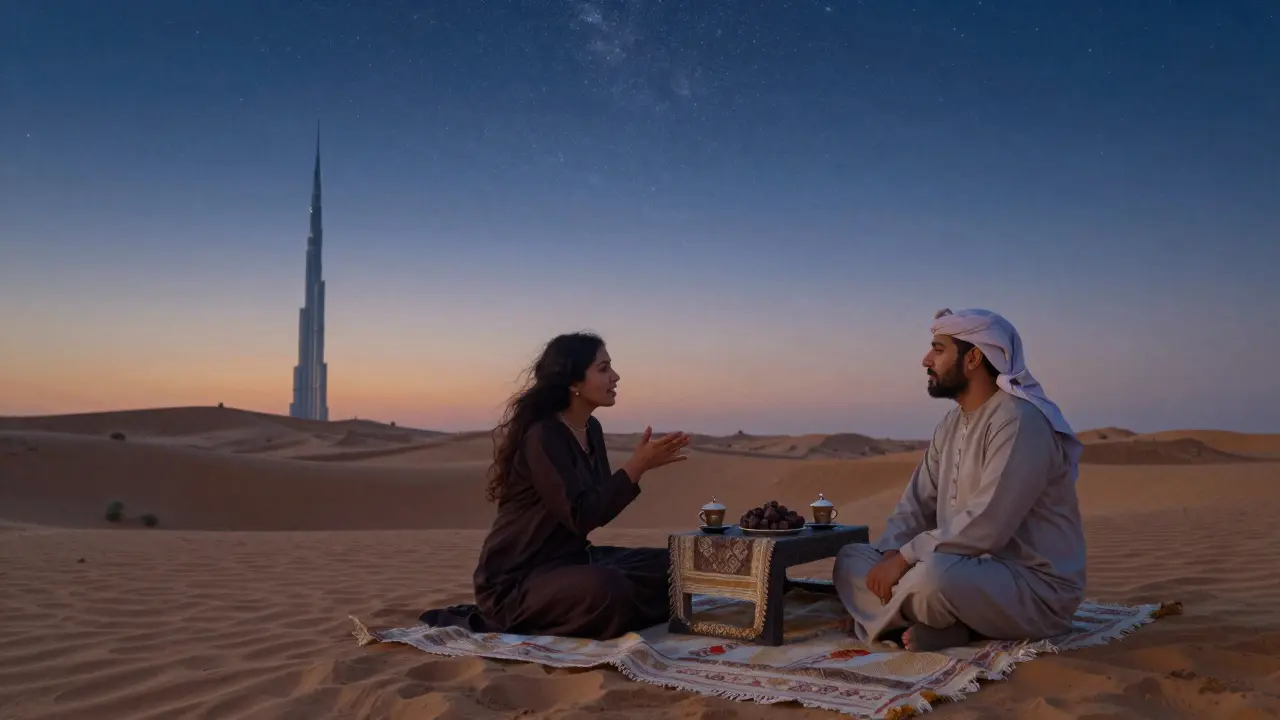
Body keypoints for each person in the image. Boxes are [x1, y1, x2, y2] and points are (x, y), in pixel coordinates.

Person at [832, 308, 1087, 653]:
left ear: (973, 358)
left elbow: (987, 525)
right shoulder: (951, 424)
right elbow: (915, 505)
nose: (926, 360)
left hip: (1031, 588)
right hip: (963, 568)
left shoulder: (1019, 421)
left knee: (934, 577)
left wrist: (904, 560)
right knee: (852, 560)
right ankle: (942, 626)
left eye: (938, 350)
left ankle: (884, 621)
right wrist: (890, 553)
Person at [419, 332, 691, 640]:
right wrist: (636, 466)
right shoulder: (543, 435)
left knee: (675, 567)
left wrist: (638, 468)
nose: (615, 377)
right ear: (573, 382)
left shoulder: (591, 428)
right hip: (518, 577)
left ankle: (617, 608)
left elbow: (598, 506)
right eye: (603, 369)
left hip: (573, 560)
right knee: (609, 590)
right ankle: (529, 618)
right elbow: (581, 514)